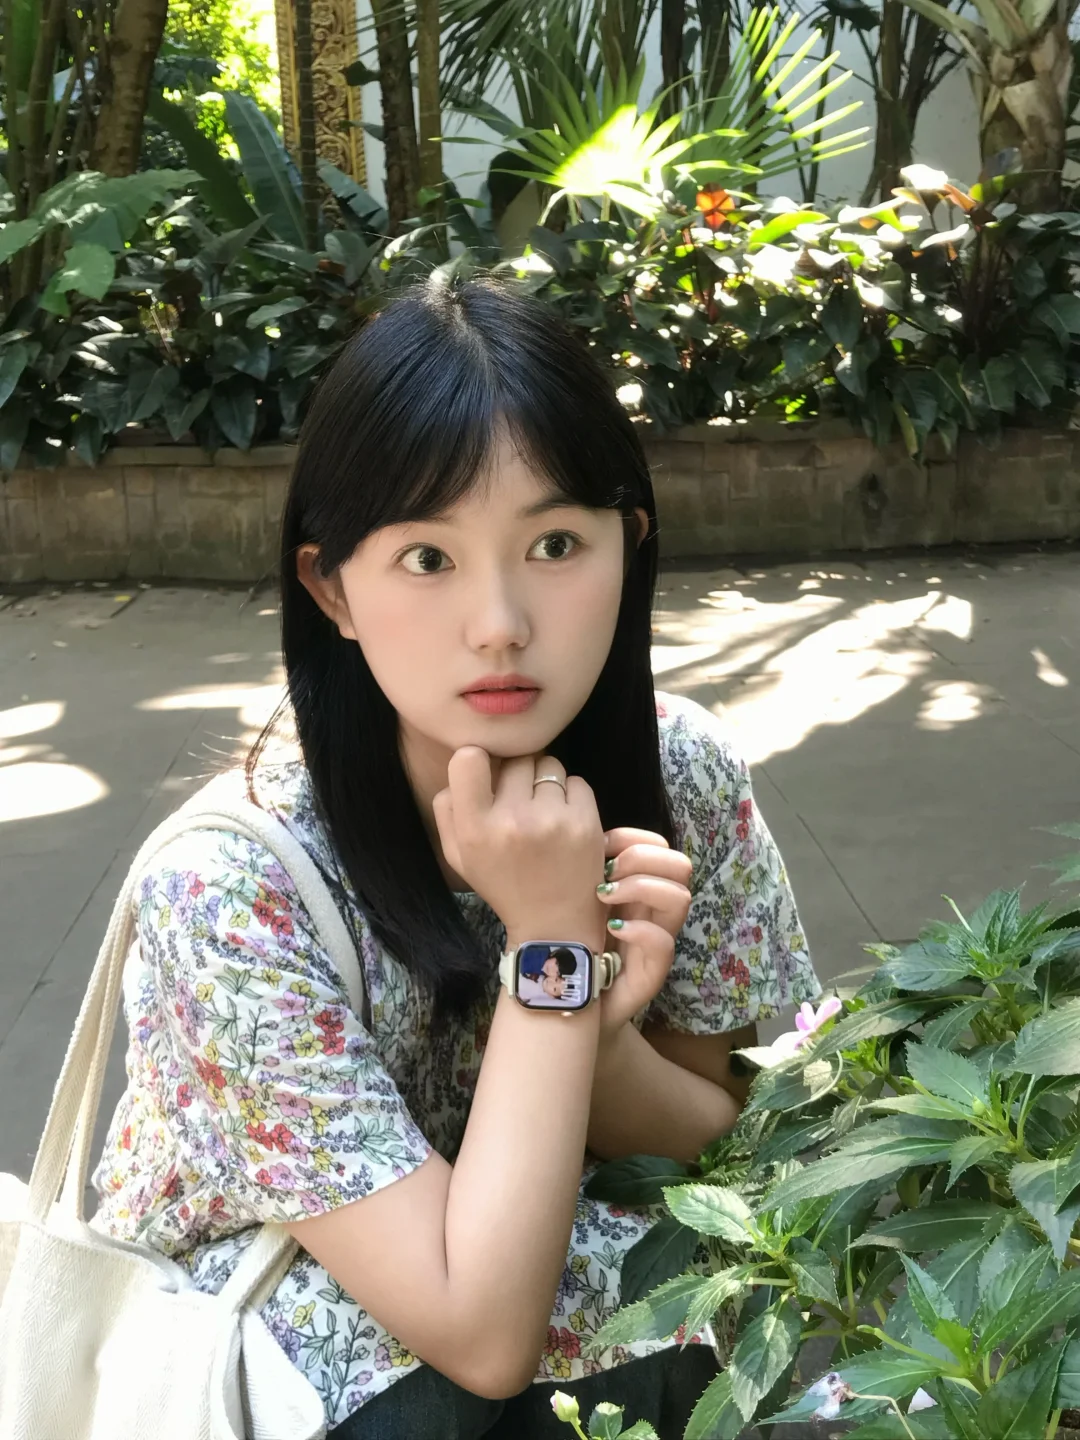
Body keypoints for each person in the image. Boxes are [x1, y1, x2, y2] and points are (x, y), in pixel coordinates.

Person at [91, 271, 820, 1438]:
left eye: (555, 544)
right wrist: (551, 946)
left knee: (709, 1317)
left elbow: (747, 1161)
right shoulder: (233, 892)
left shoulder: (680, 775)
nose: (500, 625)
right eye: (428, 559)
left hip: (569, 1324)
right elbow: (478, 1333)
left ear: (629, 548)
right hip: (294, 1350)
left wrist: (599, 1041)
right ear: (332, 588)